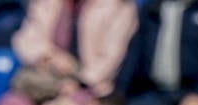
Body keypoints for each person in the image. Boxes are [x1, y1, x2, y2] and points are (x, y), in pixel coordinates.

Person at [11, 0, 139, 99]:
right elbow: (25, 41)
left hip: (91, 88)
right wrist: (50, 56)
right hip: (47, 78)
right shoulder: (48, 2)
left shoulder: (119, 7)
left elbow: (109, 61)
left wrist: (77, 80)